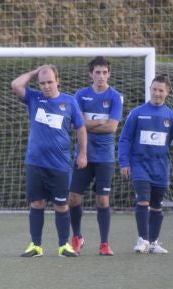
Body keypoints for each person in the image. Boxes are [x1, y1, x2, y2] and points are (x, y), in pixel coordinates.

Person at [11, 64, 87, 257]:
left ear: (57, 81)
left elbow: (80, 128)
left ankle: (64, 246)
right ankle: (35, 246)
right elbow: (16, 84)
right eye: (42, 82)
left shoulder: (70, 102)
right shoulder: (34, 98)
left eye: (50, 82)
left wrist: (82, 153)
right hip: (35, 163)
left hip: (60, 165)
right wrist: (34, 71)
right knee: (37, 204)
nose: (46, 86)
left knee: (61, 205)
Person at [118, 73, 173, 254]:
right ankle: (142, 239)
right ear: (150, 90)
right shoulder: (137, 113)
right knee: (143, 200)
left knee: (157, 204)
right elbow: (125, 139)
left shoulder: (172, 117)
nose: (157, 93)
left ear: (167, 93)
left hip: (160, 168)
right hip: (140, 166)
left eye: (161, 90)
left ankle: (153, 242)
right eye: (154, 89)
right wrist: (124, 162)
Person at [68, 56, 123, 255]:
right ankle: (77, 237)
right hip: (83, 156)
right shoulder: (81, 95)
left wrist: (87, 125)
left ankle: (104, 243)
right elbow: (76, 125)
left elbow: (113, 127)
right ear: (91, 73)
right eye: (97, 72)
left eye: (104, 72)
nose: (101, 76)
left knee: (103, 201)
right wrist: (101, 122)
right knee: (73, 198)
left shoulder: (116, 97)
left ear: (109, 74)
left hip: (105, 158)